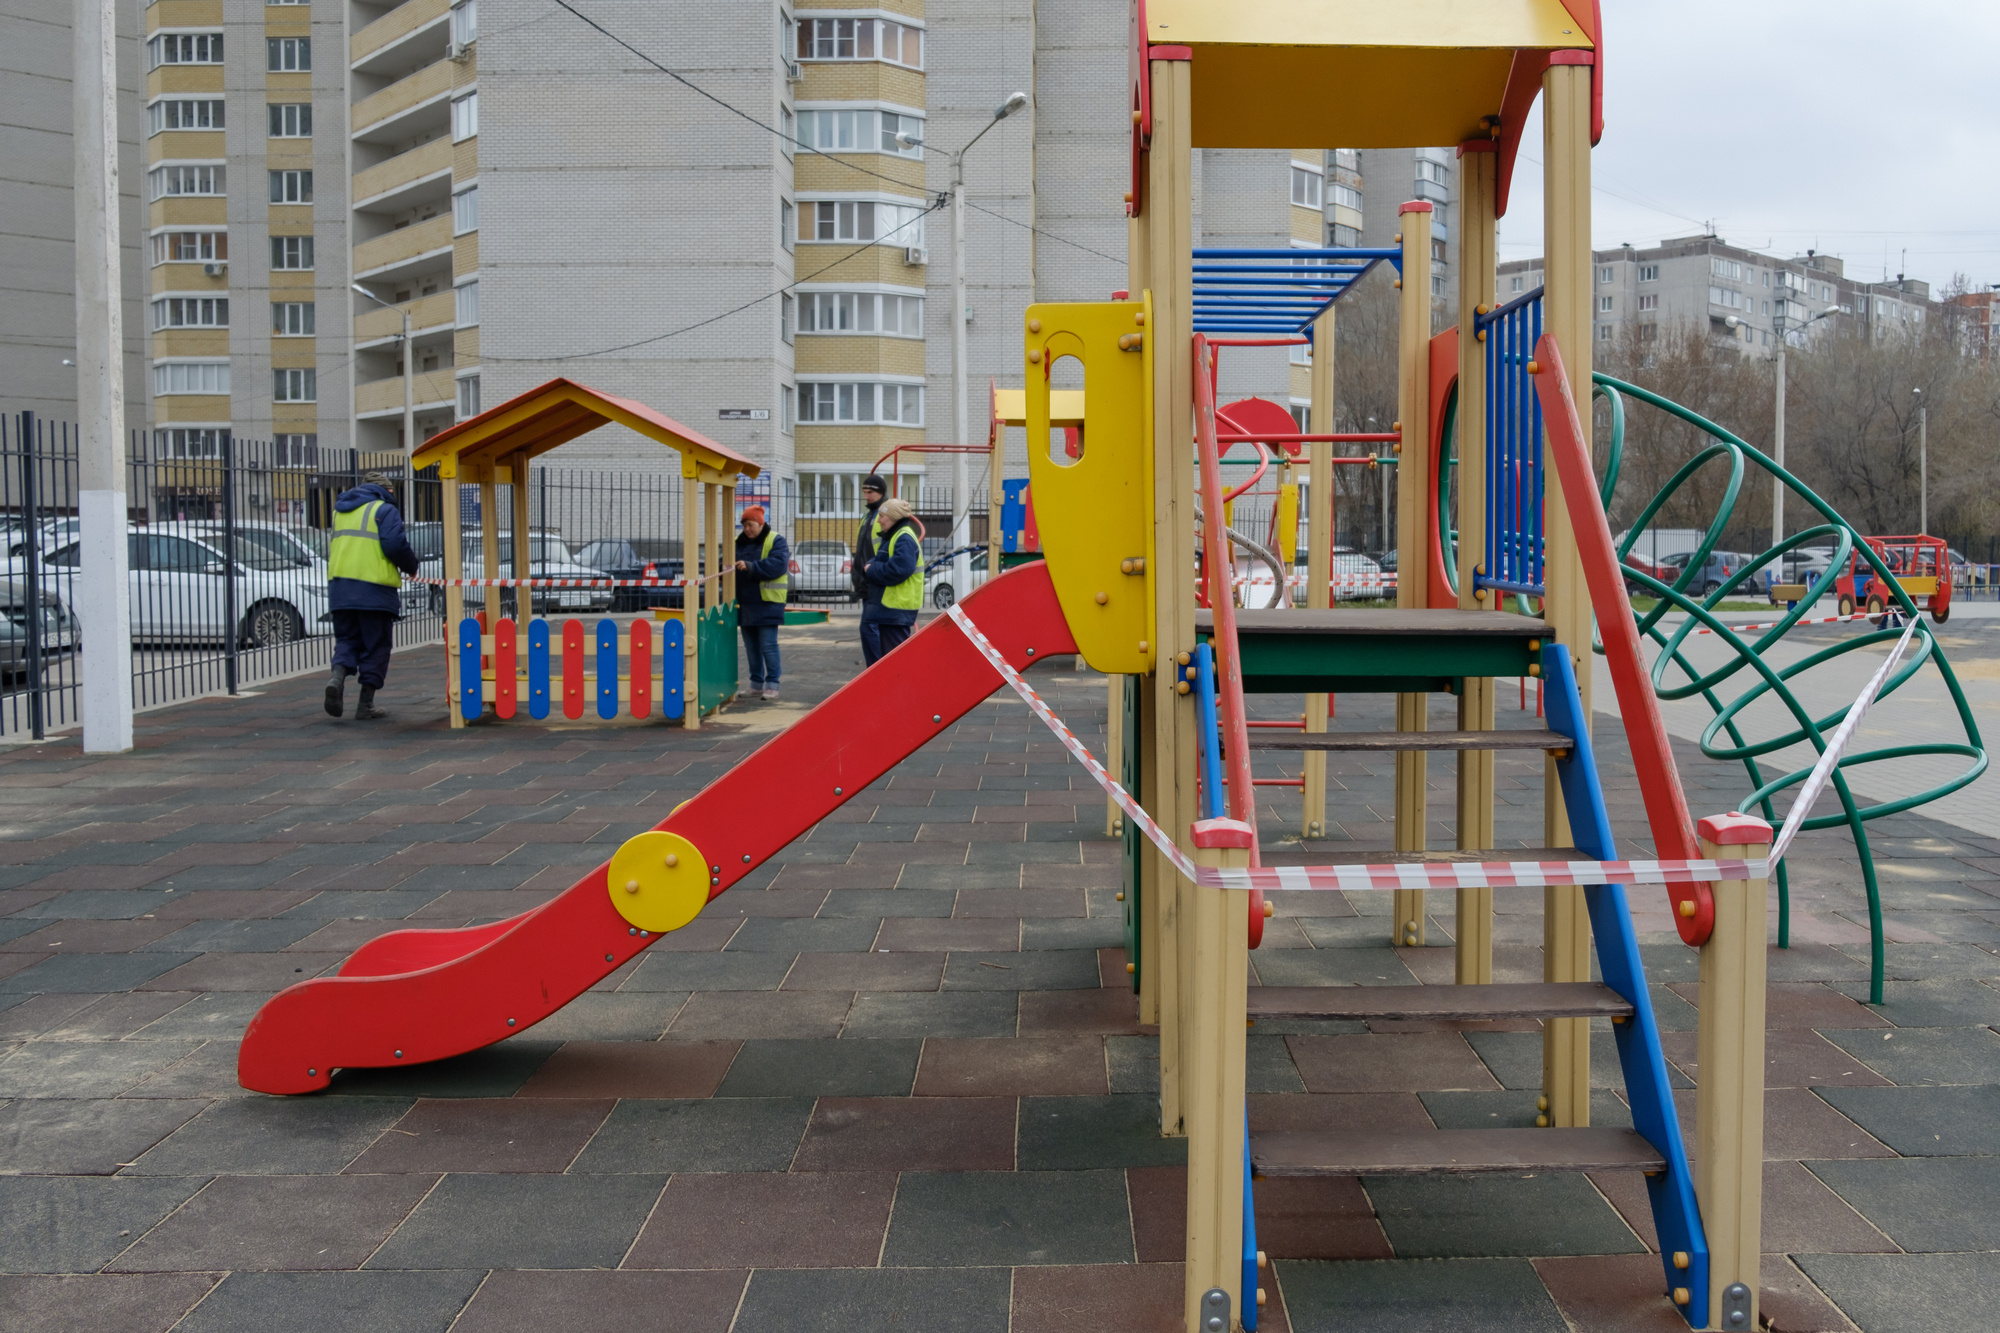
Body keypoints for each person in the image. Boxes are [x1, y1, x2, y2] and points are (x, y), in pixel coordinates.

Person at [324, 471, 420, 720]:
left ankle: (337, 678)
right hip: (374, 590)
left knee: (346, 640)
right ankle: (365, 705)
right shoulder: (384, 509)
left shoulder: (339, 511)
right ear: (386, 490)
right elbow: (395, 544)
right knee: (376, 645)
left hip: (340, 588)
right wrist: (411, 566)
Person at [858, 495, 924, 665]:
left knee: (894, 660)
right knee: (888, 658)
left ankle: (891, 682)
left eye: (882, 516)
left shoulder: (904, 538)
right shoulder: (895, 536)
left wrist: (871, 569)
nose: (879, 521)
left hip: (895, 608)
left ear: (893, 517)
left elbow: (898, 569)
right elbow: (884, 561)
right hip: (891, 609)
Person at [733, 505, 789, 701]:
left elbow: (778, 566)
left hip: (768, 602)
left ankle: (772, 684)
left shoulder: (776, 540)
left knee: (768, 645)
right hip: (745, 603)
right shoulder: (737, 542)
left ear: (760, 523)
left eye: (750, 525)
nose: (747, 529)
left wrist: (750, 567)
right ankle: (756, 684)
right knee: (751, 647)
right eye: (744, 525)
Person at [849, 473, 887, 602]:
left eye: (870, 492)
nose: (866, 497)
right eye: (864, 492)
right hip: (867, 581)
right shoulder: (868, 516)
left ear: (881, 492)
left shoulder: (887, 516)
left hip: (877, 580)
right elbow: (861, 550)